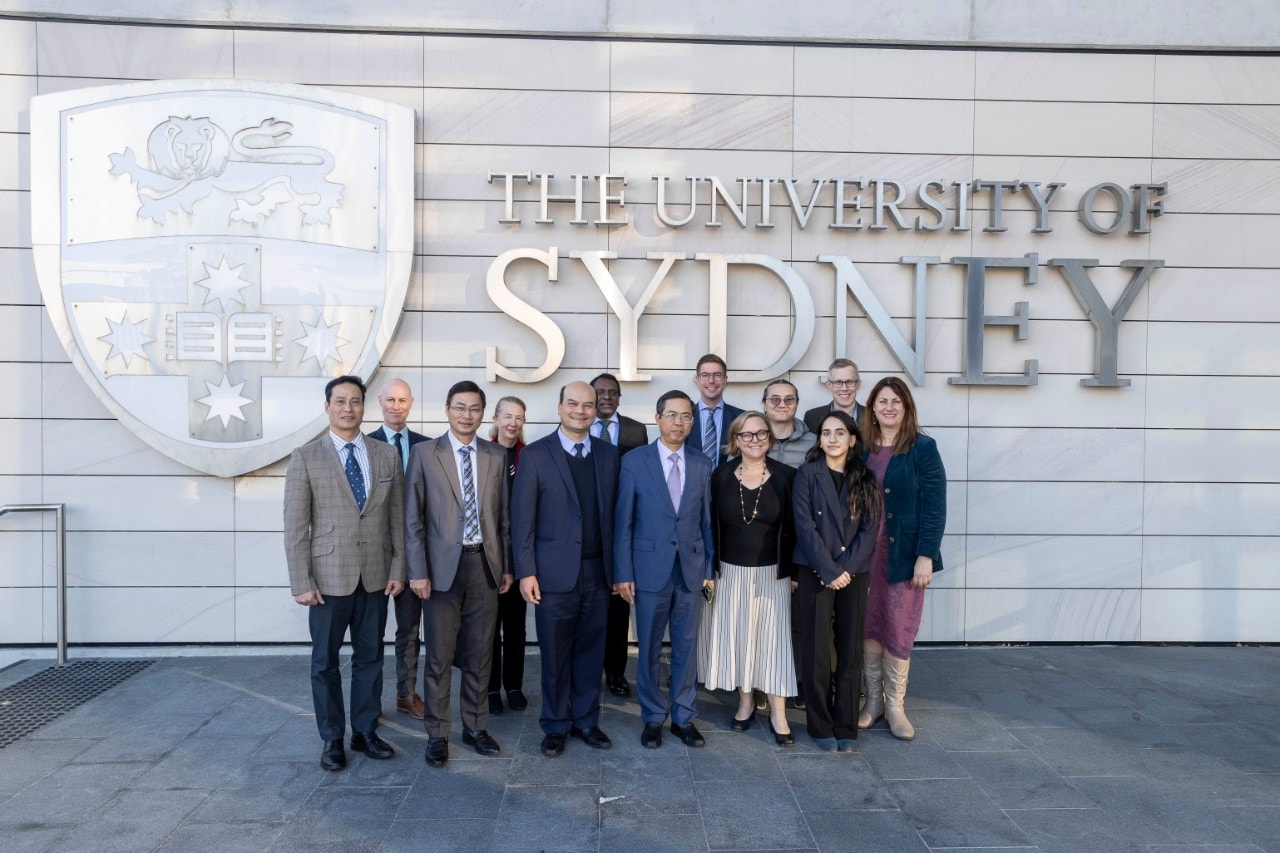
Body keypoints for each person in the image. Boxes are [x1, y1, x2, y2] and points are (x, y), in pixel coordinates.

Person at [283, 375, 405, 771]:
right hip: (327, 579)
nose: (348, 408)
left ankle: (365, 731)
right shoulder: (306, 456)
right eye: (340, 401)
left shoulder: (385, 455)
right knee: (325, 662)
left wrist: (399, 567)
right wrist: (301, 581)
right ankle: (332, 738)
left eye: (355, 401)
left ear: (364, 407)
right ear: (327, 406)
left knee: (371, 658)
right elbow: (296, 525)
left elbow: (397, 519)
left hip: (375, 575)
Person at [404, 380, 512, 767]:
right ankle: (437, 733)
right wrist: (417, 571)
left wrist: (507, 567)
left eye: (475, 409)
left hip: (484, 566)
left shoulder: (496, 455)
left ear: (484, 413)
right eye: (460, 407)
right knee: (438, 656)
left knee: (480, 654)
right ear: (446, 409)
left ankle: (476, 726)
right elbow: (412, 519)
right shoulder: (424, 453)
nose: (467, 415)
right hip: (439, 571)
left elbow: (504, 519)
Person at [511, 381, 619, 756]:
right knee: (555, 653)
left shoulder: (608, 455)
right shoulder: (537, 455)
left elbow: (616, 518)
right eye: (572, 403)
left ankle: (586, 720)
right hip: (552, 574)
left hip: (597, 572)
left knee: (592, 651)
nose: (580, 410)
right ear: (559, 408)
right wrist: (526, 571)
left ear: (596, 411)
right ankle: (556, 724)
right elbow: (521, 517)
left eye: (588, 405)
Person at [614, 390, 716, 749]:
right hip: (648, 570)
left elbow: (706, 522)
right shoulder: (635, 461)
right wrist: (623, 572)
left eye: (686, 416)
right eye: (672, 415)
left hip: (690, 570)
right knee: (650, 647)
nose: (679, 422)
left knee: (687, 646)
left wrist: (709, 570)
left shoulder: (702, 463)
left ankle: (684, 717)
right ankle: (654, 717)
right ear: (657, 419)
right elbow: (623, 522)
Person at [701, 410, 798, 745]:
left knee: (774, 644)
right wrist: (708, 572)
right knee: (741, 639)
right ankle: (745, 703)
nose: (755, 440)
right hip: (729, 574)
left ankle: (779, 713)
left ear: (769, 438)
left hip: (774, 575)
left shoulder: (787, 477)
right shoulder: (721, 476)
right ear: (735, 440)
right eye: (747, 434)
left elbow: (797, 532)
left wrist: (795, 573)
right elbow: (709, 527)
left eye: (761, 434)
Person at [859, 376, 946, 741]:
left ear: (906, 407)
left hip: (904, 553)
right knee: (868, 622)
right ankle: (872, 701)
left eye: (896, 401)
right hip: (866, 553)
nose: (889, 407)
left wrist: (925, 555)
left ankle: (895, 706)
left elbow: (935, 507)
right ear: (873, 409)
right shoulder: (861, 448)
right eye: (882, 402)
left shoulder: (923, 448)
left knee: (898, 624)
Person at [792, 410, 878, 751]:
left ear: (852, 439)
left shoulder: (866, 478)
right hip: (816, 573)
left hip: (853, 574)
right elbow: (804, 526)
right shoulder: (806, 475)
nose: (832, 439)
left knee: (849, 651)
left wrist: (846, 570)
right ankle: (820, 725)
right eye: (826, 433)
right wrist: (830, 571)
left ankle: (846, 724)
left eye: (839, 433)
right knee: (816, 652)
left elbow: (870, 530)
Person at [367, 378, 430, 722]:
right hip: (375, 556)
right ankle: (370, 698)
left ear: (411, 403)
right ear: (380, 402)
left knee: (409, 630)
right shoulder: (366, 445)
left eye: (402, 400)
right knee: (371, 632)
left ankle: (406, 693)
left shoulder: (426, 446)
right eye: (390, 399)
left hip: (414, 555)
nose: (396, 406)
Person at [590, 372, 650, 699]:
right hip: (587, 527)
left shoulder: (635, 430)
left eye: (613, 392)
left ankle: (615, 672)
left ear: (619, 397)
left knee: (617, 605)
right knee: (589, 604)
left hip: (623, 525)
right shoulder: (578, 423)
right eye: (600, 392)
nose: (606, 397)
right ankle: (587, 669)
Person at [487, 395, 529, 716]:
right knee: (488, 628)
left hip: (518, 557)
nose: (513, 423)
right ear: (496, 419)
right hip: (486, 558)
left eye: (519, 417)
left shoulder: (529, 457)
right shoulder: (481, 453)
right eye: (508, 416)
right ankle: (490, 689)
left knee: (515, 627)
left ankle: (513, 686)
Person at [684, 353, 744, 467]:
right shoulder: (684, 418)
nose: (711, 380)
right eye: (705, 375)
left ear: (725, 379)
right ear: (697, 379)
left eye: (717, 375)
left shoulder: (742, 418)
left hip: (729, 483)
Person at [802, 358, 864, 435]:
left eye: (849, 382)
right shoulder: (812, 417)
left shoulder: (873, 416)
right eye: (838, 382)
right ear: (829, 385)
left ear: (858, 385)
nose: (844, 388)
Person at [763, 379, 814, 468]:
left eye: (789, 399)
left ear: (797, 404)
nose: (782, 405)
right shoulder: (749, 440)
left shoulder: (814, 443)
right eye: (775, 399)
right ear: (764, 405)